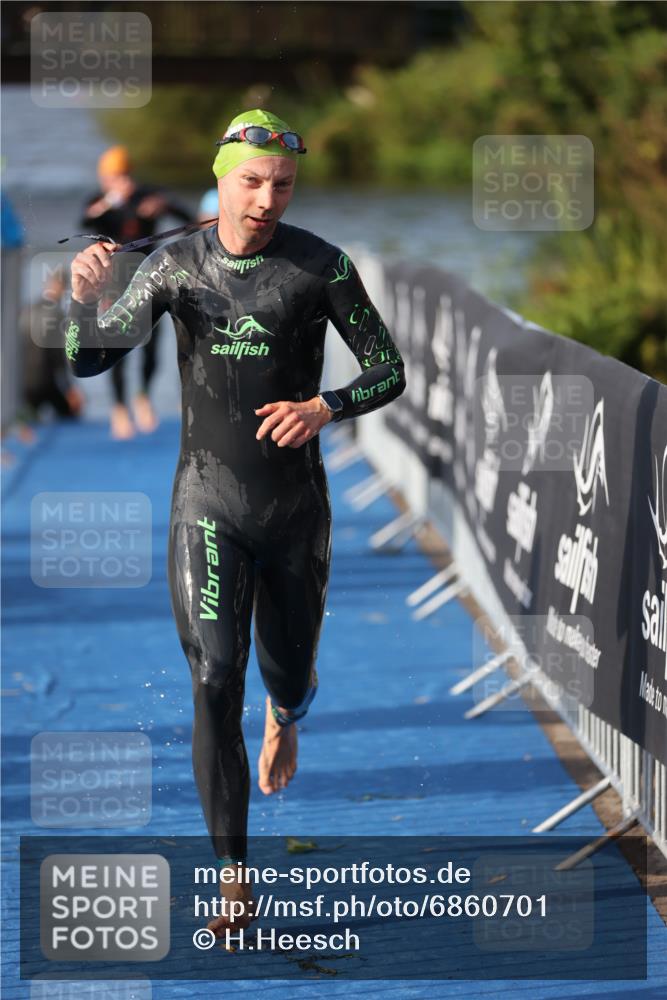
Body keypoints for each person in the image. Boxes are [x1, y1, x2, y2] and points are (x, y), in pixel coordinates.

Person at [65, 109, 406, 935]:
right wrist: (83, 300)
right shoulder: (175, 265)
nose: (265, 200)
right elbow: (88, 358)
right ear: (219, 180)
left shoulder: (320, 266)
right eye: (251, 182)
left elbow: (388, 370)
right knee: (216, 676)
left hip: (296, 513)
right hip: (206, 504)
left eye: (281, 186)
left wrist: (326, 406)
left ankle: (286, 715)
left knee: (282, 674)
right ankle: (232, 877)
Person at [80, 146, 195, 439]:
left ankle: (143, 395)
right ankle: (119, 407)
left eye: (124, 175)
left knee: (152, 345)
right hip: (115, 281)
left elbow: (189, 221)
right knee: (114, 341)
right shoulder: (99, 201)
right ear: (104, 178)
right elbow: (85, 224)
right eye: (113, 176)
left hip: (150, 277)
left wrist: (161, 206)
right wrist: (108, 203)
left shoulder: (147, 195)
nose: (120, 181)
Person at [19, 267, 84, 422]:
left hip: (23, 382)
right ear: (63, 288)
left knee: (28, 419)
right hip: (46, 383)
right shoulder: (58, 314)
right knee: (72, 413)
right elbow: (59, 358)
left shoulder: (26, 311)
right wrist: (70, 390)